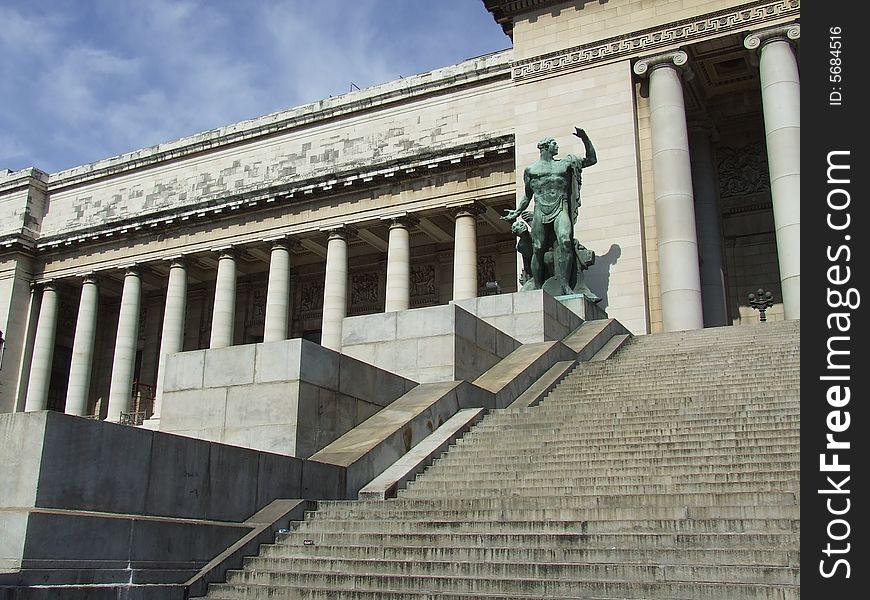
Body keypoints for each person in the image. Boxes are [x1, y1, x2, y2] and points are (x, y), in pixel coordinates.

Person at [503, 127, 597, 295]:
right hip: (540, 211)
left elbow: (592, 159)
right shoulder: (531, 170)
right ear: (545, 147)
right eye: (554, 143)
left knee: (565, 242)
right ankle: (538, 289)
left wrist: (585, 138)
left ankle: (564, 285)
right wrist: (517, 212)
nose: (557, 146)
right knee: (538, 248)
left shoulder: (565, 164)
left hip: (560, 208)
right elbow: (527, 196)